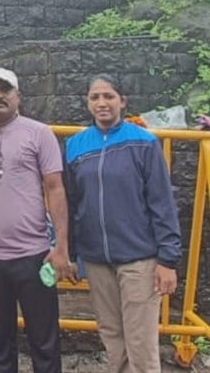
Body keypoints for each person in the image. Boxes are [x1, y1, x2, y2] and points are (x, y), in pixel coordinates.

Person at [0, 68, 69, 373]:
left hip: (35, 255)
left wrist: (61, 248)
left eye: (6, 89)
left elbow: (55, 189)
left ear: (18, 96)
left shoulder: (39, 133)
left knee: (44, 338)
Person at [64, 74, 182, 373]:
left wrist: (168, 259)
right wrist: (71, 253)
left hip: (139, 259)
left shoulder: (143, 142)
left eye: (108, 96)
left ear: (122, 101)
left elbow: (162, 202)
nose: (102, 103)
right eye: (95, 98)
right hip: (96, 260)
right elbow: (71, 203)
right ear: (88, 103)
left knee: (140, 342)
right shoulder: (76, 146)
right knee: (112, 337)